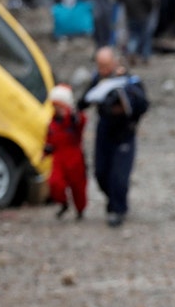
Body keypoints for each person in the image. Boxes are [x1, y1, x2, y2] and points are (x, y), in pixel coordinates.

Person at [78, 47, 149, 227]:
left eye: (106, 66)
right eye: (100, 66)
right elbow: (83, 101)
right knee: (101, 172)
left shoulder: (130, 80)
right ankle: (113, 200)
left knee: (119, 175)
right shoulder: (98, 80)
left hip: (124, 132)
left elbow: (143, 105)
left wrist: (125, 101)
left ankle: (118, 209)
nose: (103, 70)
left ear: (114, 62)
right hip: (104, 130)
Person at [45, 84, 88, 220]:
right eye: (54, 105)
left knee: (78, 187)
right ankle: (63, 203)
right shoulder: (52, 122)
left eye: (59, 105)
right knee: (55, 182)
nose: (56, 108)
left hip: (74, 157)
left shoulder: (73, 119)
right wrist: (46, 150)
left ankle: (80, 210)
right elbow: (49, 139)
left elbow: (81, 121)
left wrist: (74, 115)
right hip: (59, 157)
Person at [117, 0, 155, 64]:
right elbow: (150, 0)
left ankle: (132, 52)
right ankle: (145, 56)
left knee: (133, 36)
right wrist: (149, 10)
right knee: (145, 36)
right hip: (142, 15)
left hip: (131, 15)